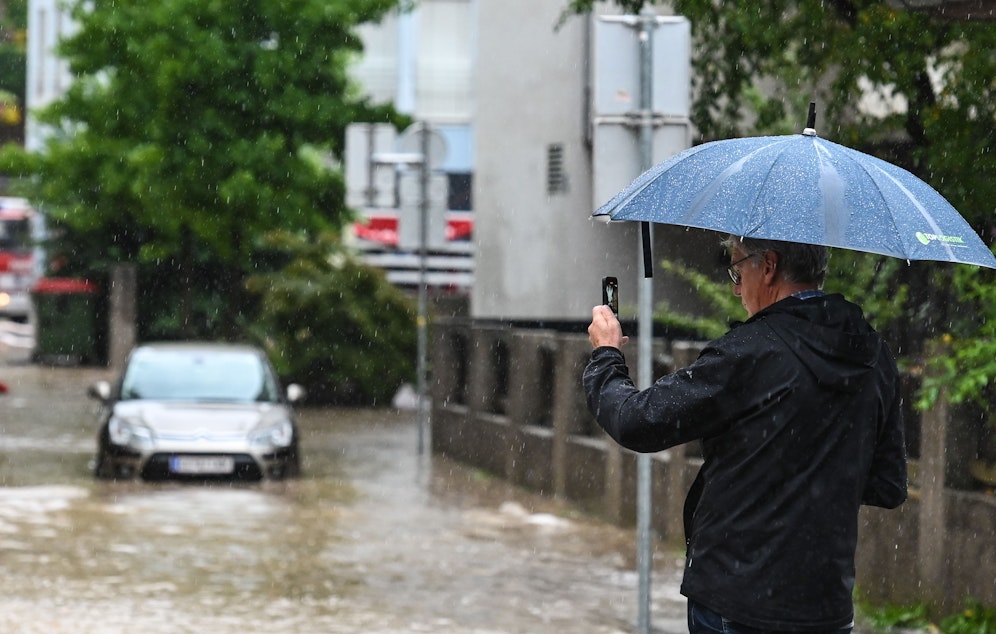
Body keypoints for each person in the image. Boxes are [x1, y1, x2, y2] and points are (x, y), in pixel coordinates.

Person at [583, 235, 907, 634]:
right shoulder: (873, 353)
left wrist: (606, 356)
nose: (736, 288)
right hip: (826, 604)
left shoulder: (749, 352)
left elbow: (636, 422)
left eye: (738, 271)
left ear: (768, 266)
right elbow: (888, 485)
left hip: (737, 600)